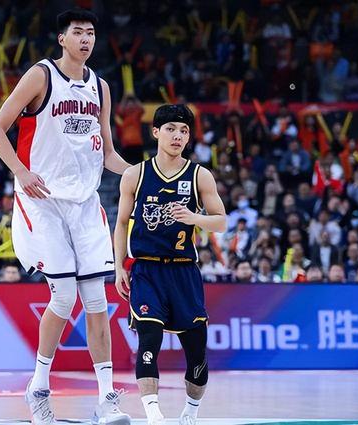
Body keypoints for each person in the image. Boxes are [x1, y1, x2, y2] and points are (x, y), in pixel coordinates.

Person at [0, 8, 131, 425]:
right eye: (78, 32)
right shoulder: (41, 76)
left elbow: (108, 154)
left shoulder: (101, 87)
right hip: (42, 200)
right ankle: (38, 388)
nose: (86, 39)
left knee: (97, 301)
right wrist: (21, 171)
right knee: (64, 297)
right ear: (62, 39)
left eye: (91, 33)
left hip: (85, 204)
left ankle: (106, 399)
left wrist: (144, 174)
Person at [113, 104, 227, 425]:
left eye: (184, 131)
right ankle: (153, 414)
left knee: (197, 352)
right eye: (171, 129)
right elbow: (121, 223)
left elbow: (221, 222)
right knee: (149, 339)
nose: (178, 136)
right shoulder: (135, 175)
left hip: (183, 271)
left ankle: (190, 411)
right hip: (147, 270)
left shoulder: (199, 175)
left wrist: (194, 218)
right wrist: (119, 266)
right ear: (156, 132)